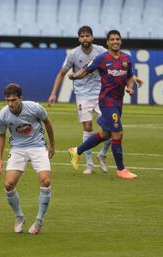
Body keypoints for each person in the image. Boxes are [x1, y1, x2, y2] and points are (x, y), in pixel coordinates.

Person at [68, 30, 140, 179]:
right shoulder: (101, 58)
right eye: (112, 39)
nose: (115, 41)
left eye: (117, 39)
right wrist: (75, 76)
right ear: (107, 42)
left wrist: (130, 87)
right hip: (106, 102)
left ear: (120, 41)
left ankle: (77, 150)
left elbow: (130, 76)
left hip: (118, 102)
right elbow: (85, 70)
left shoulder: (126, 58)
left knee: (105, 134)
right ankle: (121, 170)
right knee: (118, 133)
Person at [47, 25, 111, 175]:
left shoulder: (100, 51)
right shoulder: (73, 54)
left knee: (109, 127)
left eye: (87, 36)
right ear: (79, 38)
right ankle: (89, 164)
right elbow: (62, 73)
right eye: (82, 36)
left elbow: (113, 64)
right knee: (87, 127)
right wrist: (53, 93)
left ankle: (102, 154)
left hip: (100, 93)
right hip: (82, 94)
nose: (85, 39)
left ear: (92, 37)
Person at [0, 83, 55, 234]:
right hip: (18, 149)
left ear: (20, 98)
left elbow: (48, 123)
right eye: (7, 100)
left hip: (37, 147)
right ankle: (19, 216)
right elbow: (2, 136)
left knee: (46, 181)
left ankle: (39, 220)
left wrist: (52, 146)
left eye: (13, 100)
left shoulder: (34, 108)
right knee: (8, 185)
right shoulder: (3, 114)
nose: (10, 103)